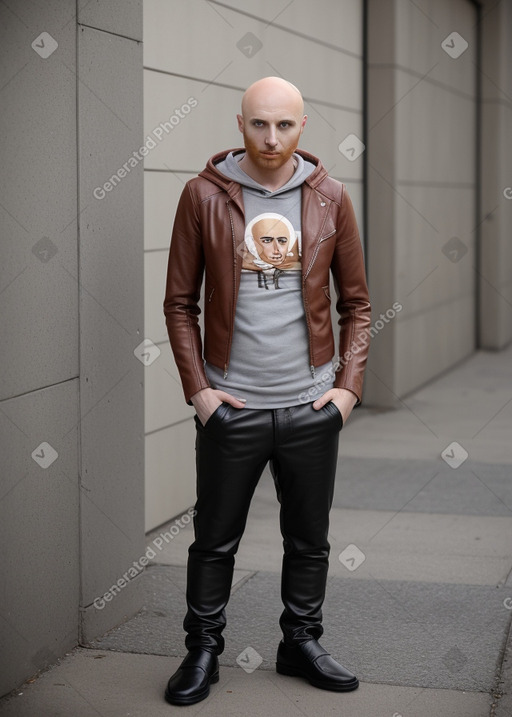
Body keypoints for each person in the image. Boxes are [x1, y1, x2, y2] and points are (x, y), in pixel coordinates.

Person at [163, 76, 371, 706]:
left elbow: (357, 305)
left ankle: (300, 642)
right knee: (214, 538)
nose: (272, 138)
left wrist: (345, 393)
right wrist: (200, 391)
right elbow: (179, 303)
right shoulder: (202, 196)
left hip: (309, 406)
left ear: (303, 126)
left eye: (285, 125)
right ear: (240, 123)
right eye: (259, 124)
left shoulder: (332, 197)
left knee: (308, 539)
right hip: (233, 406)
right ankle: (203, 648)